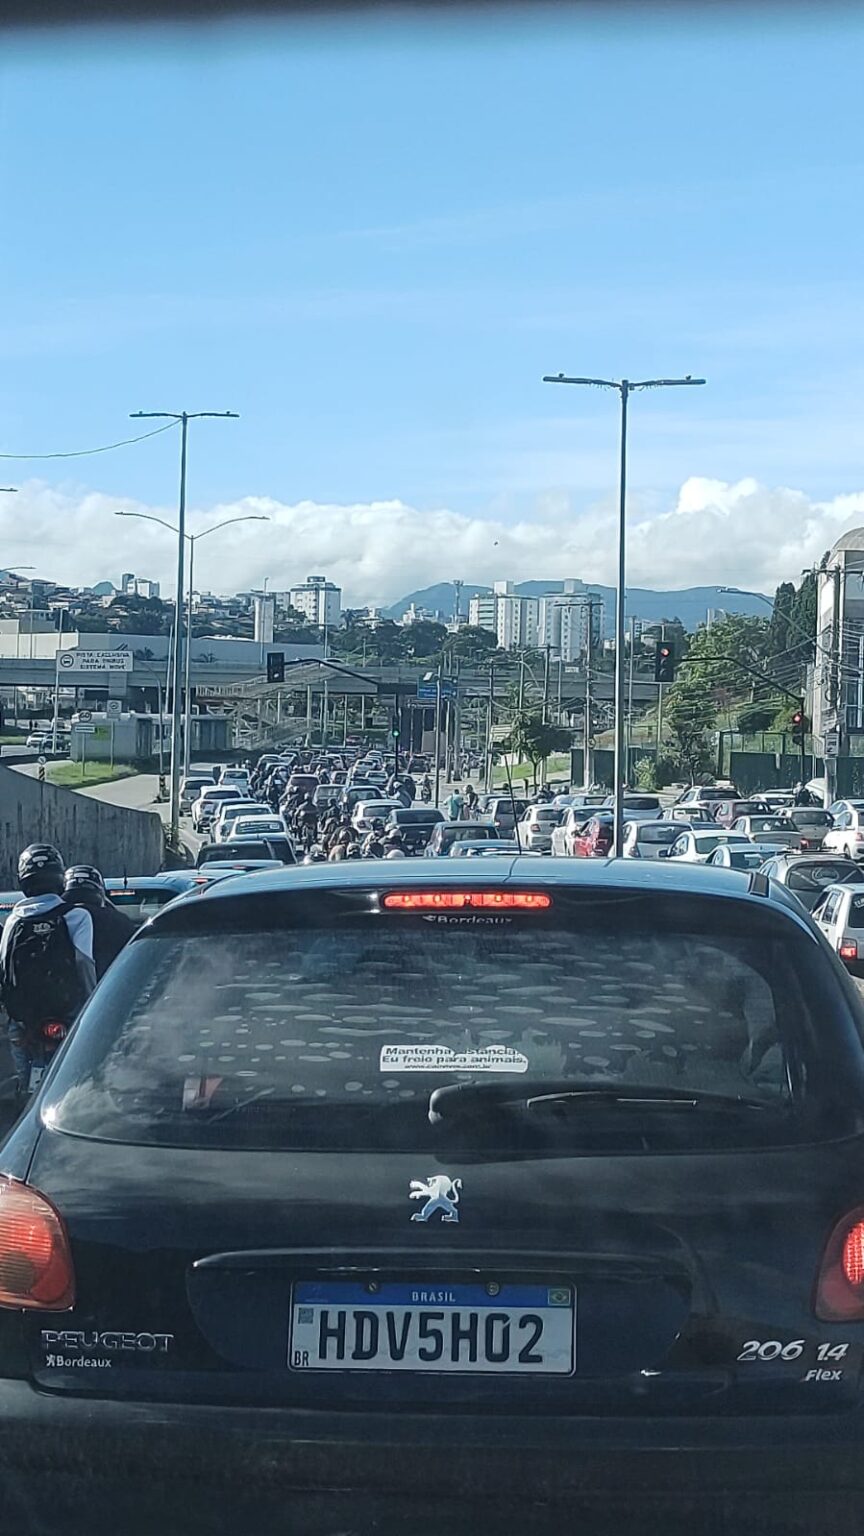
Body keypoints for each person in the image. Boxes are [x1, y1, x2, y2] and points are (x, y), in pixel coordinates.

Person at [0, 845, 97, 1094]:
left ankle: (25, 1101)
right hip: (65, 1010)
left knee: (22, 1082)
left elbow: (3, 966)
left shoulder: (13, 920)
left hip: (23, 1016)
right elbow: (84, 962)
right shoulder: (76, 915)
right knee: (79, 1074)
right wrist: (93, 1002)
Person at [62, 865, 136, 980]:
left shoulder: (57, 919)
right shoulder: (120, 921)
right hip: (113, 988)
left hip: (65, 993)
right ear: (100, 893)